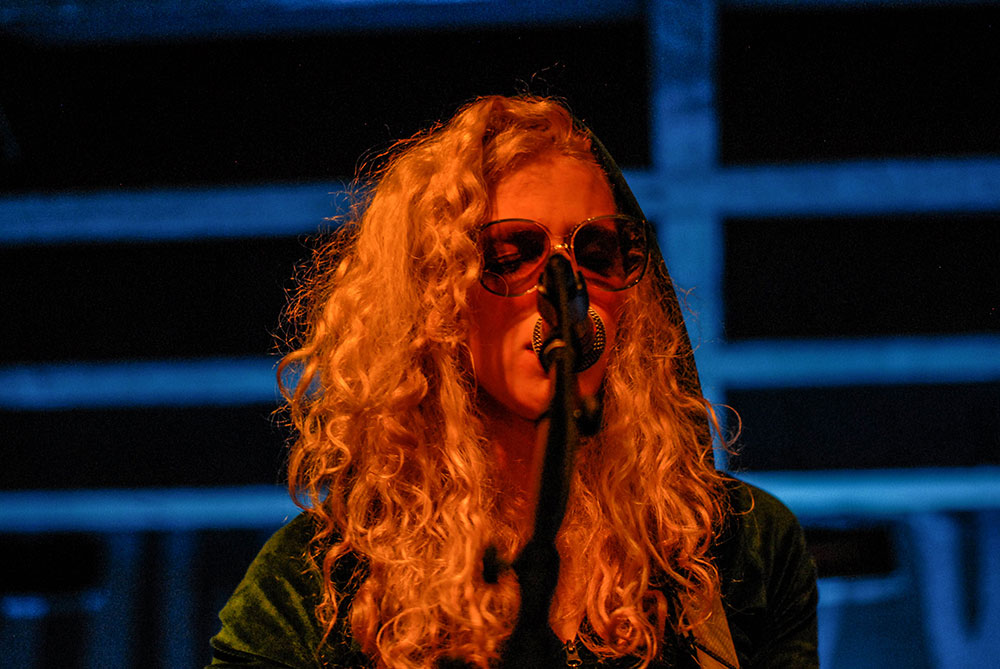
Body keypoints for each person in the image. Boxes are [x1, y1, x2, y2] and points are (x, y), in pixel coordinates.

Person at [207, 95, 818, 668]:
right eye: (507, 256)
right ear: (434, 302)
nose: (565, 290)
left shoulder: (737, 546)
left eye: (597, 251)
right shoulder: (317, 583)